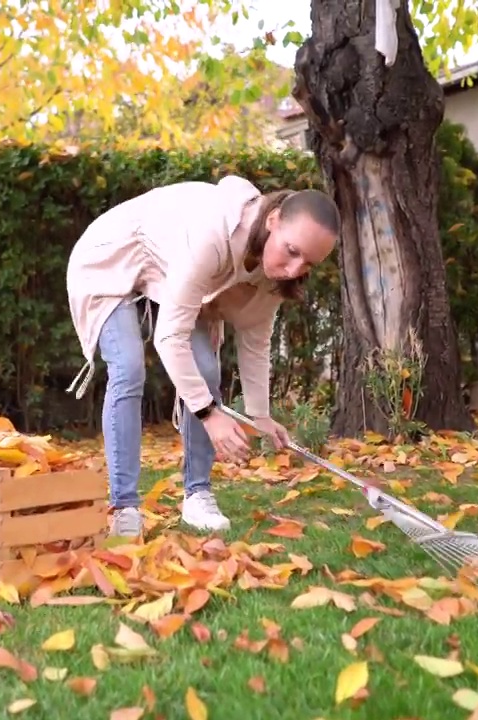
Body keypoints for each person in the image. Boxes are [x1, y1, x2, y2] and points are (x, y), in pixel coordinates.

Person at [64, 176, 341, 538]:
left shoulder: (273, 271)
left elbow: (256, 340)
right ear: (273, 220)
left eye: (308, 263)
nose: (294, 269)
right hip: (112, 259)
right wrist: (210, 414)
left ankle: (197, 496)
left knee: (206, 371)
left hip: (167, 271)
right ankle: (124, 507)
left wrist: (261, 416)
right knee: (129, 367)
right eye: (291, 251)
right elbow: (169, 337)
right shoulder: (213, 234)